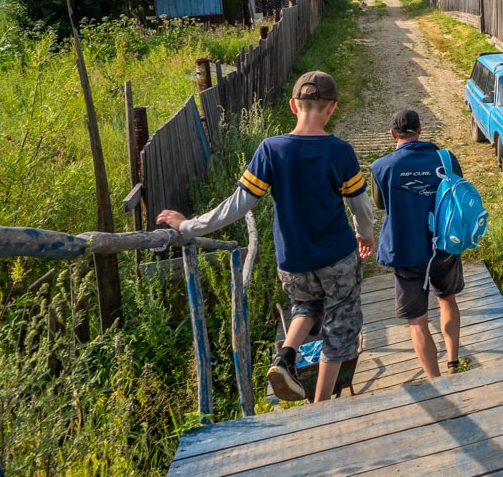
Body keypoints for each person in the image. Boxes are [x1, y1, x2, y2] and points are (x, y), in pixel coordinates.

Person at [158, 70, 375, 404]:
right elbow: (359, 203)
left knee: (305, 305)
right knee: (339, 327)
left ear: (293, 105)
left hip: (293, 262)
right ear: (332, 108)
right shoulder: (340, 151)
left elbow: (238, 204)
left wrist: (188, 226)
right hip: (337, 257)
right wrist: (365, 234)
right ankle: (320, 406)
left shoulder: (271, 149)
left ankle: (285, 357)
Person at [369, 108, 466, 379]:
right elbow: (459, 191)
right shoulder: (446, 159)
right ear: (420, 129)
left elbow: (380, 204)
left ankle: (436, 380)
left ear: (392, 135)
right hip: (444, 245)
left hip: (406, 249)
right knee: (447, 299)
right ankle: (454, 362)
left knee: (418, 320)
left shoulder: (381, 167)